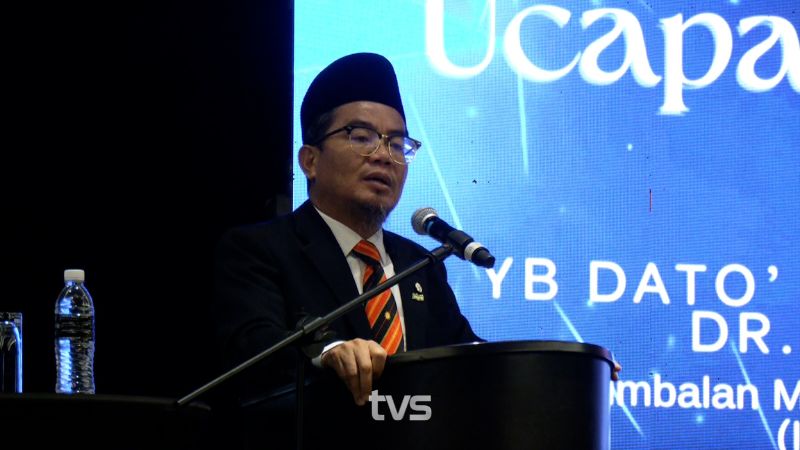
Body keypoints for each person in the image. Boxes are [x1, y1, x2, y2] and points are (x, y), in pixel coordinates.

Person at [213, 53, 481, 409]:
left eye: (397, 144)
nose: (384, 156)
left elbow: (468, 360)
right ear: (310, 161)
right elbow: (252, 349)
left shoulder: (420, 265)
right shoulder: (260, 250)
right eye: (362, 137)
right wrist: (327, 354)